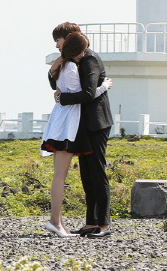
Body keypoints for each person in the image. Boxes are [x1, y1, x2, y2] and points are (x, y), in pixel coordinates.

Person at [40, 31, 111, 237]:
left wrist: (62, 97)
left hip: (94, 124)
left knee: (96, 173)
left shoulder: (87, 60)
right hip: (78, 125)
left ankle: (102, 224)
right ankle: (90, 222)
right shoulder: (70, 63)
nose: (56, 45)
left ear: (68, 40)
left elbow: (87, 94)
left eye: (58, 40)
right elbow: (64, 86)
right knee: (87, 175)